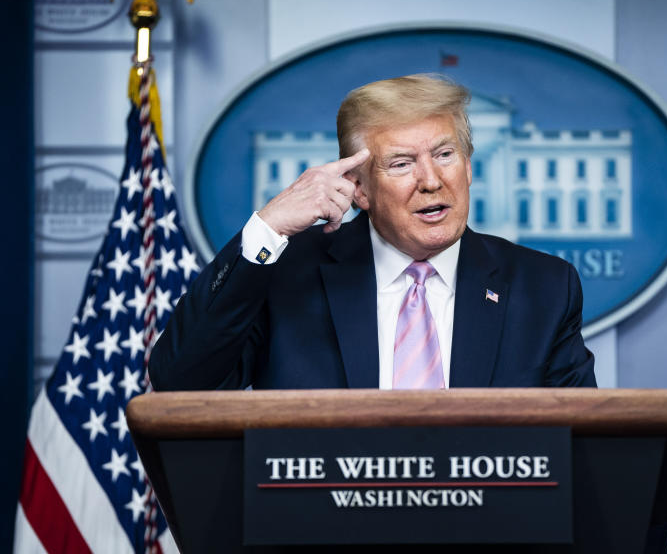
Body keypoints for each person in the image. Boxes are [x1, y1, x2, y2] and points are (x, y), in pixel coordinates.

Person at [149, 74, 595, 390]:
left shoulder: (544, 287)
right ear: (358, 189)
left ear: (469, 166)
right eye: (401, 163)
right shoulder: (289, 277)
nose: (431, 180)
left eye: (445, 154)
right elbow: (182, 379)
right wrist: (267, 229)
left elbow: (583, 448)